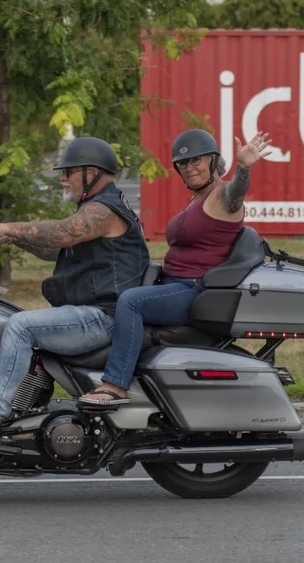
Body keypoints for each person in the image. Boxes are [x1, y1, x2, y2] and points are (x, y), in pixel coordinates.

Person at [0, 136, 151, 444]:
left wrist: (7, 228)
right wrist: (12, 238)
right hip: (91, 312)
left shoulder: (105, 210)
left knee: (21, 326)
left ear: (92, 172)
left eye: (69, 171)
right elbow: (57, 249)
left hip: (101, 317)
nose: (62, 177)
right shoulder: (95, 208)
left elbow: (64, 233)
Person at [78, 128, 272, 406]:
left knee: (131, 302)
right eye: (183, 164)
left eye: (196, 160)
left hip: (193, 288)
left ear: (213, 162)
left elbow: (236, 193)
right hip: (172, 283)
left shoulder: (221, 197)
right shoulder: (197, 200)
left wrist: (243, 168)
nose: (189, 168)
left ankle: (115, 385)